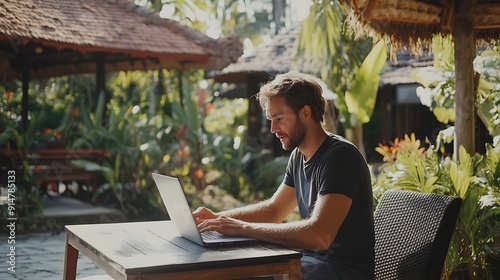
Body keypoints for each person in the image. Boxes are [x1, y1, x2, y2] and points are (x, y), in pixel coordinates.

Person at [194, 71, 374, 280]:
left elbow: (320, 236)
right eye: (271, 119)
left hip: (341, 271)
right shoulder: (299, 155)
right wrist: (218, 219)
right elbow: (274, 210)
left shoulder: (340, 157)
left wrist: (243, 228)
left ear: (305, 113)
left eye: (279, 118)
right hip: (309, 262)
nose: (272, 129)